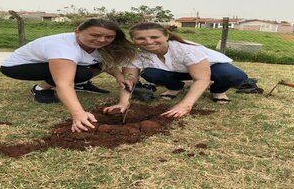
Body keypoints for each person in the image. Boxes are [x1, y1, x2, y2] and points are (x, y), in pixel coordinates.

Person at [0, 18, 136, 132]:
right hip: (18, 67)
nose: (102, 40)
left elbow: (104, 62)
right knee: (80, 72)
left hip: (48, 63)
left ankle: (82, 84)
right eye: (95, 35)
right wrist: (78, 113)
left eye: (109, 37)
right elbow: (64, 84)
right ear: (77, 31)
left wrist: (118, 75)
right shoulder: (64, 48)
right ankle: (40, 89)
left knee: (85, 70)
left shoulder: (99, 46)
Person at [103, 22, 249, 118]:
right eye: (140, 39)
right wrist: (123, 103)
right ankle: (175, 87)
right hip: (177, 70)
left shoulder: (186, 49)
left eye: (154, 37)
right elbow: (129, 79)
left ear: (166, 36)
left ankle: (218, 90)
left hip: (211, 68)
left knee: (232, 75)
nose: (148, 42)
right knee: (150, 73)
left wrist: (185, 105)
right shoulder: (135, 54)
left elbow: (202, 78)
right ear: (133, 40)